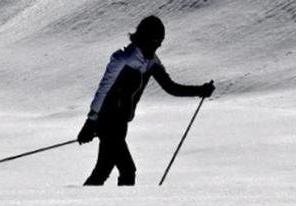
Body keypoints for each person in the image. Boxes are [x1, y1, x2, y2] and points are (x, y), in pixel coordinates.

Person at [77, 15, 214, 186]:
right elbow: (103, 91)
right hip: (107, 122)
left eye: (161, 41)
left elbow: (170, 87)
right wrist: (90, 123)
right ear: (145, 37)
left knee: (103, 170)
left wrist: (200, 90)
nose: (159, 45)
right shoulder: (122, 59)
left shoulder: (152, 63)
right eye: (157, 40)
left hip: (121, 124)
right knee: (127, 170)